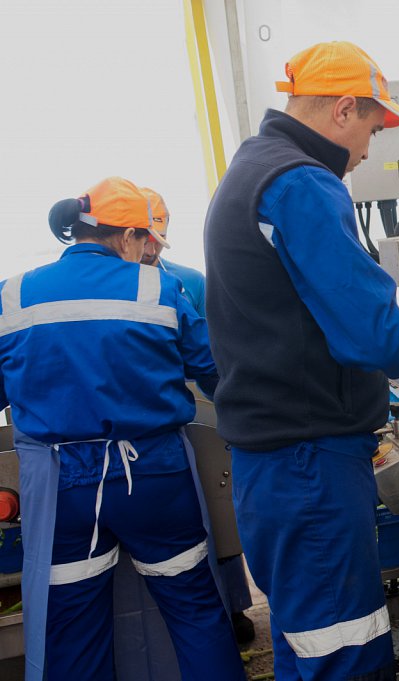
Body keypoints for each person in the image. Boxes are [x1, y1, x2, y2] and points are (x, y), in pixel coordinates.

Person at [204, 41, 399, 681]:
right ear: (341, 109)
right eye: (372, 126)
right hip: (308, 466)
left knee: (308, 643)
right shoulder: (301, 184)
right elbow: (372, 333)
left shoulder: (253, 168)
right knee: (343, 654)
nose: (372, 147)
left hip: (277, 464)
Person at [0, 177, 246, 680]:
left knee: (73, 628)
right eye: (149, 243)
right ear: (128, 236)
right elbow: (217, 373)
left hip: (63, 487)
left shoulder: (13, 295)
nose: (151, 254)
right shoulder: (159, 288)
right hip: (153, 478)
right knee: (195, 610)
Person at [139, 186, 256, 643]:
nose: (150, 250)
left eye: (156, 241)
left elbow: (216, 351)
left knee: (218, 511)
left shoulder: (187, 280)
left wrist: (234, 408)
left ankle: (236, 605)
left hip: (201, 407)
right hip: (155, 425)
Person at [139, 187, 207, 315]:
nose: (151, 251)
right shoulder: (106, 279)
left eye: (160, 240)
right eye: (145, 241)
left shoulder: (194, 282)